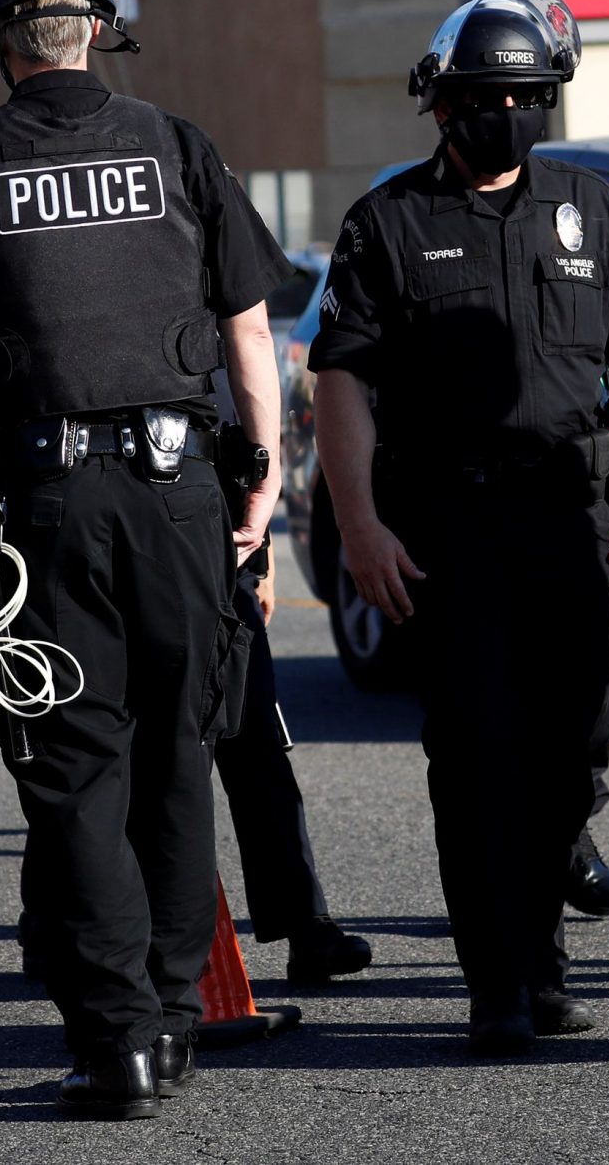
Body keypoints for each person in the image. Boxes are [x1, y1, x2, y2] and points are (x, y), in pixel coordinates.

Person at [0, 0, 289, 1120]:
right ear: (99, 23)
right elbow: (248, 331)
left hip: (42, 508)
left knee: (74, 771)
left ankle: (116, 1044)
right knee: (175, 756)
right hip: (180, 496)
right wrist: (258, 482)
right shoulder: (176, 145)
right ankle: (170, 1013)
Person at [311, 0, 609, 1056]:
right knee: (474, 759)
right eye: (485, 94)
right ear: (441, 101)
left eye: (527, 93)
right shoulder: (387, 222)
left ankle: (542, 942)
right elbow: (339, 380)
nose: (506, 111)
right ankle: (502, 984)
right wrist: (362, 525)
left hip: (572, 515)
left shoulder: (591, 208)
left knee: (571, 753)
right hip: (448, 528)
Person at [205, 368, 374, 986]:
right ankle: (62, 923)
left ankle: (307, 925)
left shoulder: (199, 275)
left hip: (218, 524)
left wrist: (263, 544)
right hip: (121, 511)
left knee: (257, 743)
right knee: (123, 754)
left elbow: (243, 425)